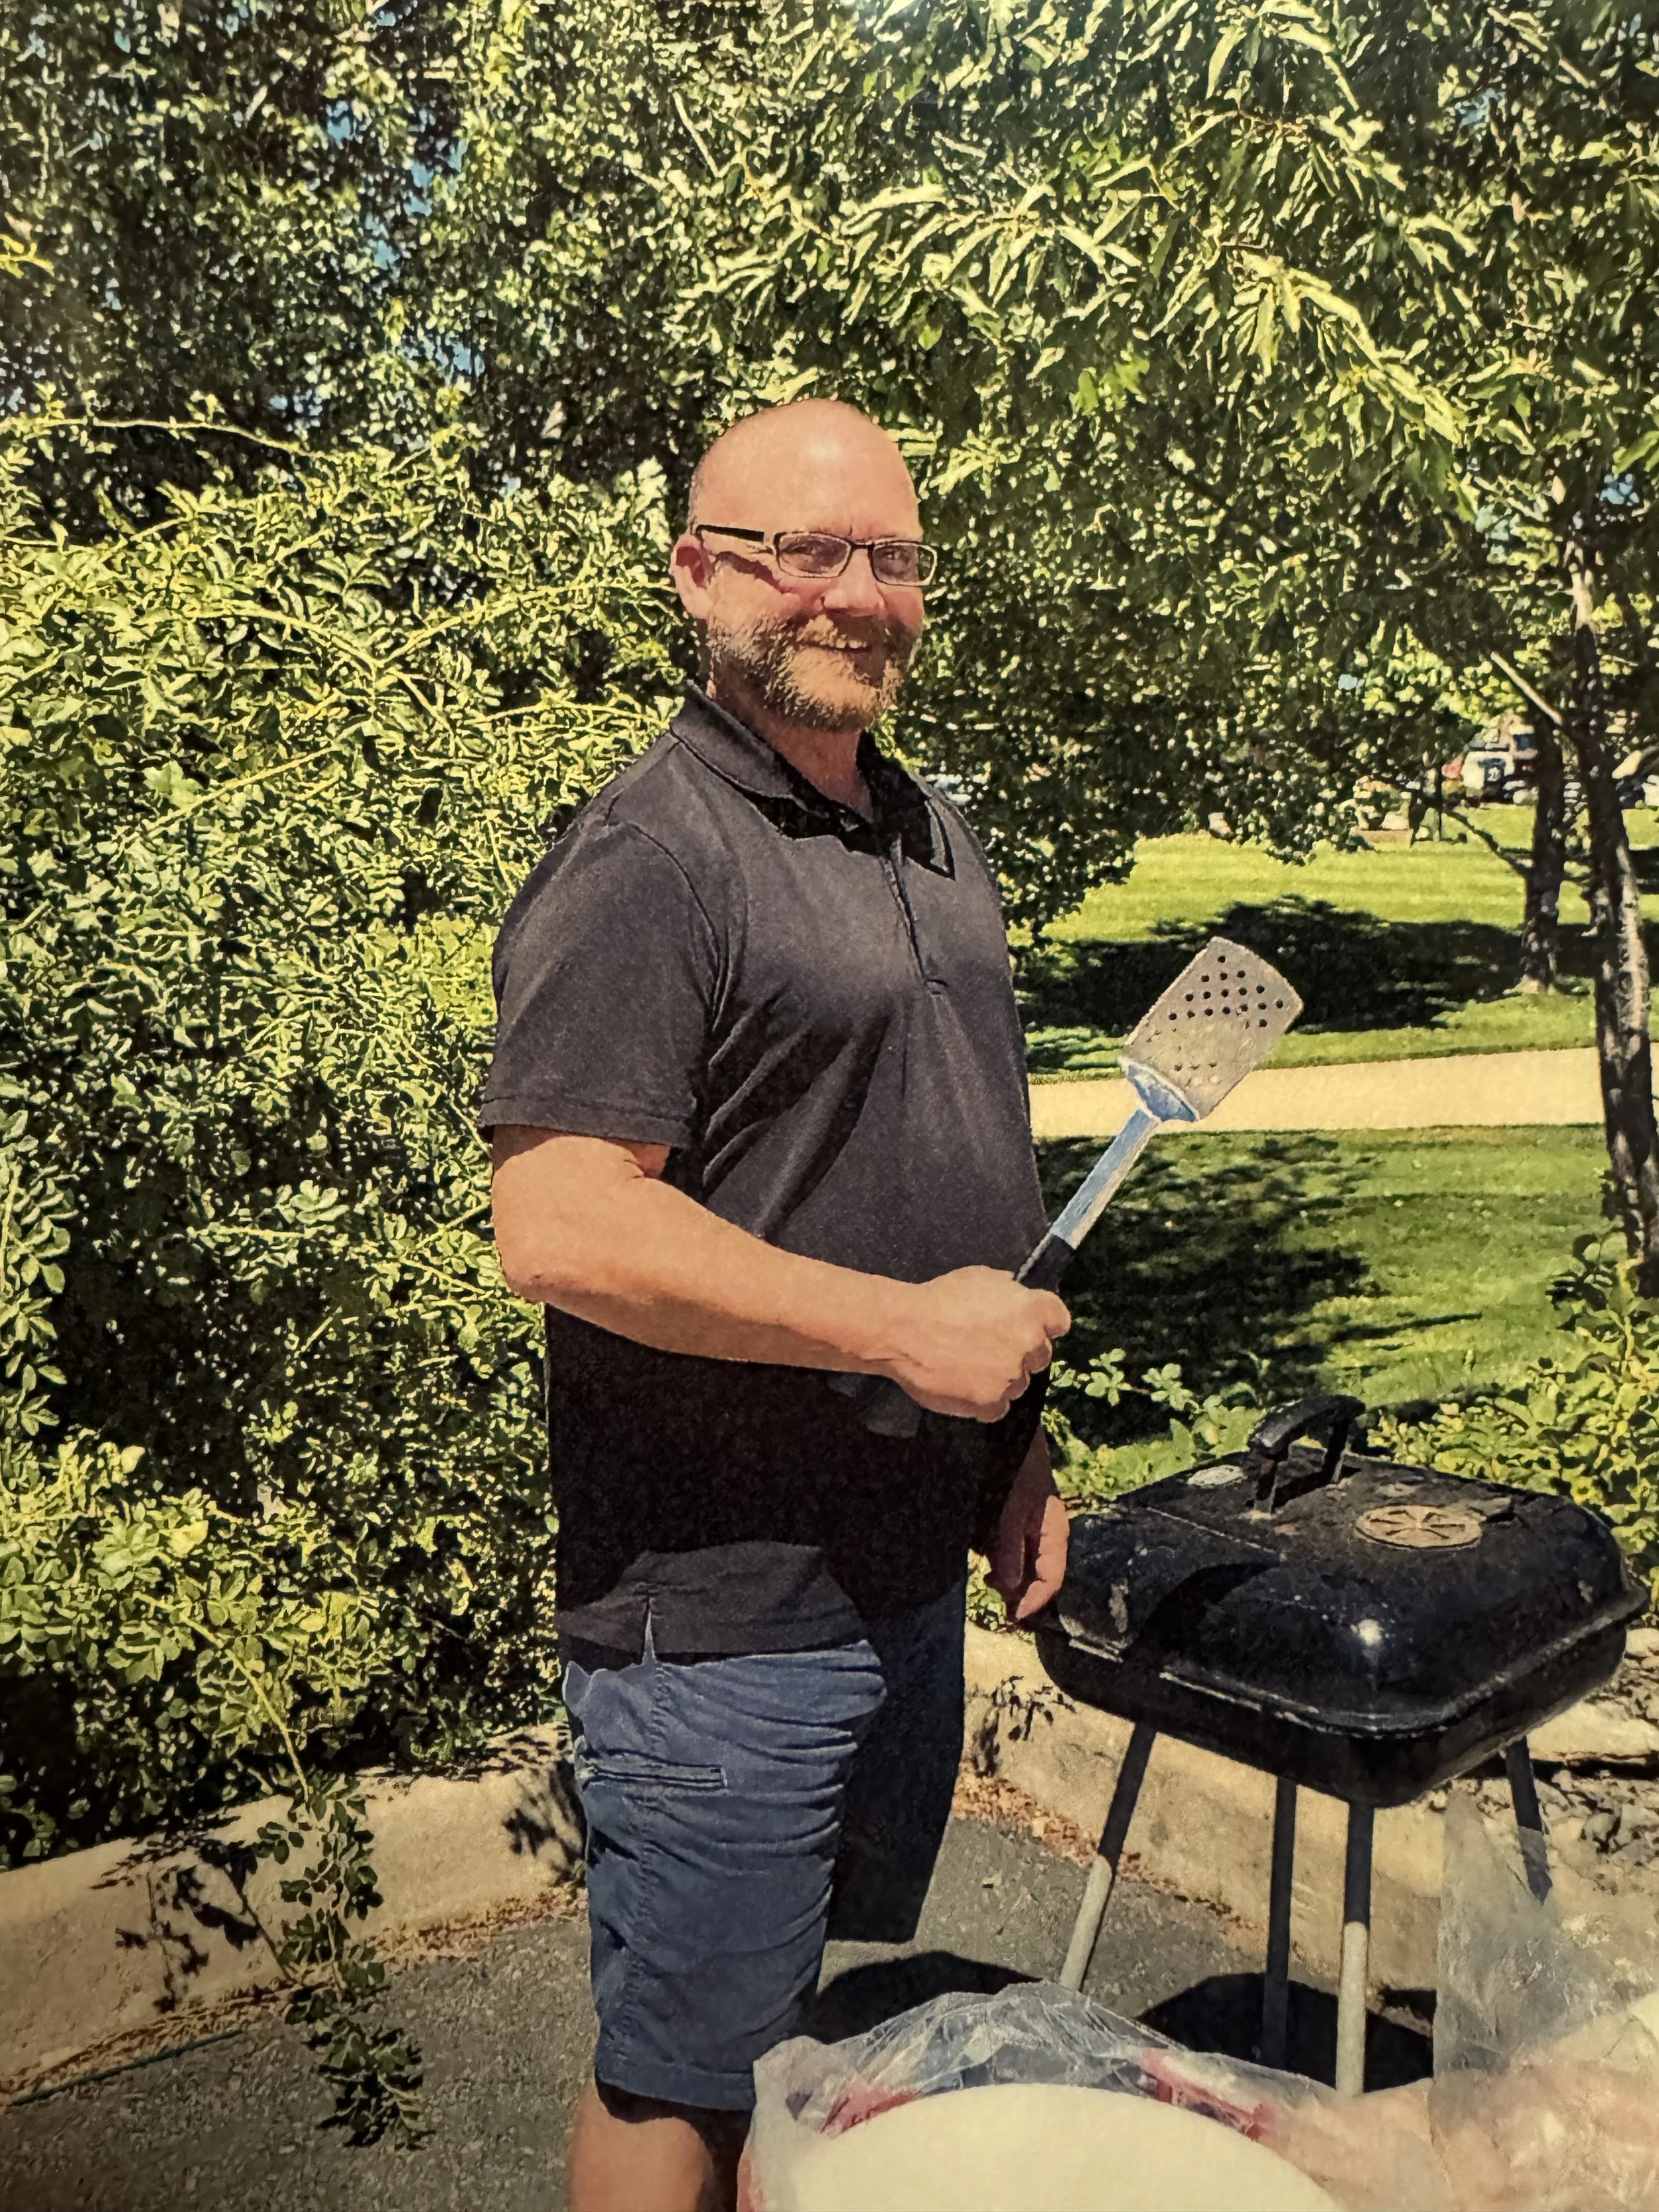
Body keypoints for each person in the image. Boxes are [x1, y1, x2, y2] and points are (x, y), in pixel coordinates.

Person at [482, 397, 1071, 2212]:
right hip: (725, 1616)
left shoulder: (928, 830)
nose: (854, 593)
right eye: (804, 552)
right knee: (678, 2077)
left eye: (890, 556)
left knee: (784, 2046)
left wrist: (1013, 1450)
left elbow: (941, 1155)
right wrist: (899, 1334)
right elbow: (561, 1222)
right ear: (699, 575)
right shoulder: (652, 856)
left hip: (897, 1566)